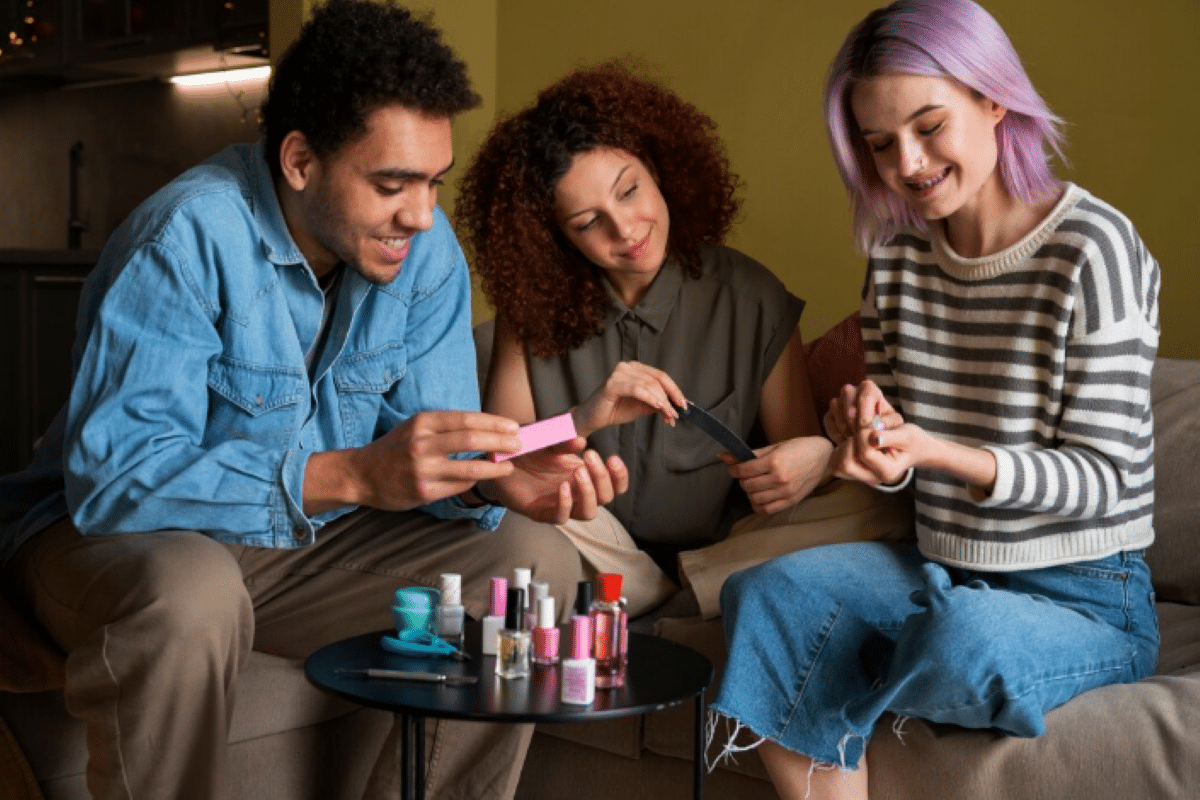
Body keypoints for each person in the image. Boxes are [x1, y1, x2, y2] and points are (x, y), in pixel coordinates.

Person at [0, 2, 628, 798]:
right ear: (299, 161)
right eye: (392, 184)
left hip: (290, 551)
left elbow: (426, 448)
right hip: (104, 537)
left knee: (530, 557)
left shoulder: (427, 255)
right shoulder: (184, 238)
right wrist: (355, 476)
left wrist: (490, 479)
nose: (423, 215)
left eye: (435, 182)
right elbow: (116, 479)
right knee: (193, 591)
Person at [709, 1, 1161, 798]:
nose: (906, 165)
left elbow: (1103, 477)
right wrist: (872, 450)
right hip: (938, 566)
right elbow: (900, 468)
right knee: (767, 594)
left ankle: (829, 705)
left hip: (1088, 596)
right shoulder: (897, 263)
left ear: (995, 101)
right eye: (879, 145)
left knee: (959, 638)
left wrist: (931, 448)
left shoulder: (1094, 250)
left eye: (929, 126)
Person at [456, 62, 897, 620]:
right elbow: (505, 461)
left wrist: (819, 459)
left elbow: (794, 475)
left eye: (630, 191)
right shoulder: (527, 314)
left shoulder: (753, 296)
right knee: (528, 508)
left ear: (660, 167)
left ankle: (674, 596)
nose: (625, 229)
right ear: (553, 236)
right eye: (589, 221)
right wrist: (582, 419)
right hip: (591, 543)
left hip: (724, 547)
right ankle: (673, 606)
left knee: (882, 508)